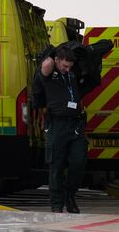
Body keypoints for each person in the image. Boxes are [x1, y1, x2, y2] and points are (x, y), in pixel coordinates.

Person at [33, 45, 89, 213]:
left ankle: (70, 195)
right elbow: (46, 64)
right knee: (56, 166)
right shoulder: (48, 73)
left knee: (78, 161)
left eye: (69, 67)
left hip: (75, 125)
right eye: (64, 66)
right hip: (57, 124)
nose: (67, 69)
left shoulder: (71, 74)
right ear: (57, 60)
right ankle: (57, 204)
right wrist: (51, 55)